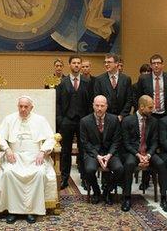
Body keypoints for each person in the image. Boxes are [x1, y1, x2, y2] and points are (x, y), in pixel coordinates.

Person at [0, 96, 57, 224]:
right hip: (15, 155)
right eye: (20, 106)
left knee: (39, 173)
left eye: (26, 106)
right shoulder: (9, 119)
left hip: (35, 156)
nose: (23, 109)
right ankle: (13, 211)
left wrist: (42, 151)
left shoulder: (40, 120)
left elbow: (51, 138)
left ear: (32, 107)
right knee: (9, 173)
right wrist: (7, 149)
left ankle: (32, 211)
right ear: (18, 106)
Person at [122, 95, 167, 212]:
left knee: (161, 164)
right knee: (128, 164)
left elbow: (155, 142)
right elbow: (126, 143)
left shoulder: (154, 121)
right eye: (150, 107)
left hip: (148, 152)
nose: (152, 109)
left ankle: (163, 198)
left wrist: (148, 155)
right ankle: (127, 197)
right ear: (141, 107)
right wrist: (138, 155)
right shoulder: (127, 120)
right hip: (133, 152)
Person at [56, 56, 92, 189]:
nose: (76, 65)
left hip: (83, 121)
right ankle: (64, 178)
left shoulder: (87, 82)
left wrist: (89, 120)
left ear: (81, 65)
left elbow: (90, 102)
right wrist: (60, 119)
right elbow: (58, 102)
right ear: (69, 65)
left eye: (78, 63)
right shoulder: (62, 82)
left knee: (84, 151)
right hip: (67, 121)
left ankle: (85, 179)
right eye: (74, 63)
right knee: (65, 151)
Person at [79, 95, 124, 205]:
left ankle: (108, 191)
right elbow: (85, 143)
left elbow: (117, 140)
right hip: (93, 153)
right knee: (89, 169)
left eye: (102, 106)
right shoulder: (84, 121)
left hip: (110, 152)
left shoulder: (114, 120)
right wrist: (97, 156)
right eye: (97, 105)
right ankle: (96, 191)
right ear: (93, 106)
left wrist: (109, 155)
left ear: (106, 107)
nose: (99, 108)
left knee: (119, 168)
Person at [136, 54, 167, 118]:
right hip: (149, 114)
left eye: (158, 63)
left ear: (162, 65)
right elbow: (139, 96)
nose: (156, 65)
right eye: (154, 63)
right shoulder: (143, 79)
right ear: (150, 65)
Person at [94, 54, 132, 120]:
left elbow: (129, 99)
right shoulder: (99, 79)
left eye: (109, 62)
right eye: (105, 62)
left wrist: (122, 115)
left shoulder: (126, 79)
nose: (106, 64)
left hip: (122, 118)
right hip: (105, 118)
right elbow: (97, 99)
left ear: (116, 63)